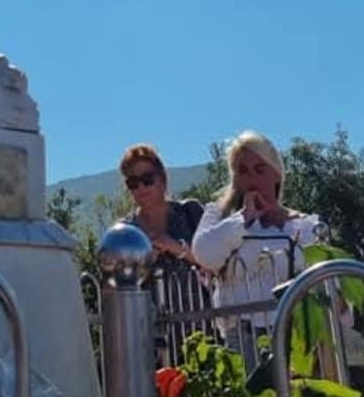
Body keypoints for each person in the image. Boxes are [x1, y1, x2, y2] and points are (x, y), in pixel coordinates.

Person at [192, 131, 323, 352]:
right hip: (243, 339)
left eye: (260, 170)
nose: (252, 178)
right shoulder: (219, 217)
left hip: (298, 337)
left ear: (277, 174)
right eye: (243, 171)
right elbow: (204, 254)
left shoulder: (308, 227)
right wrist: (243, 218)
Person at [120, 144, 204, 273]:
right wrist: (142, 265)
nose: (141, 187)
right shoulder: (124, 232)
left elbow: (219, 263)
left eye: (147, 179)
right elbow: (115, 286)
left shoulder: (191, 212)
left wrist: (176, 247)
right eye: (133, 183)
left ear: (162, 178)